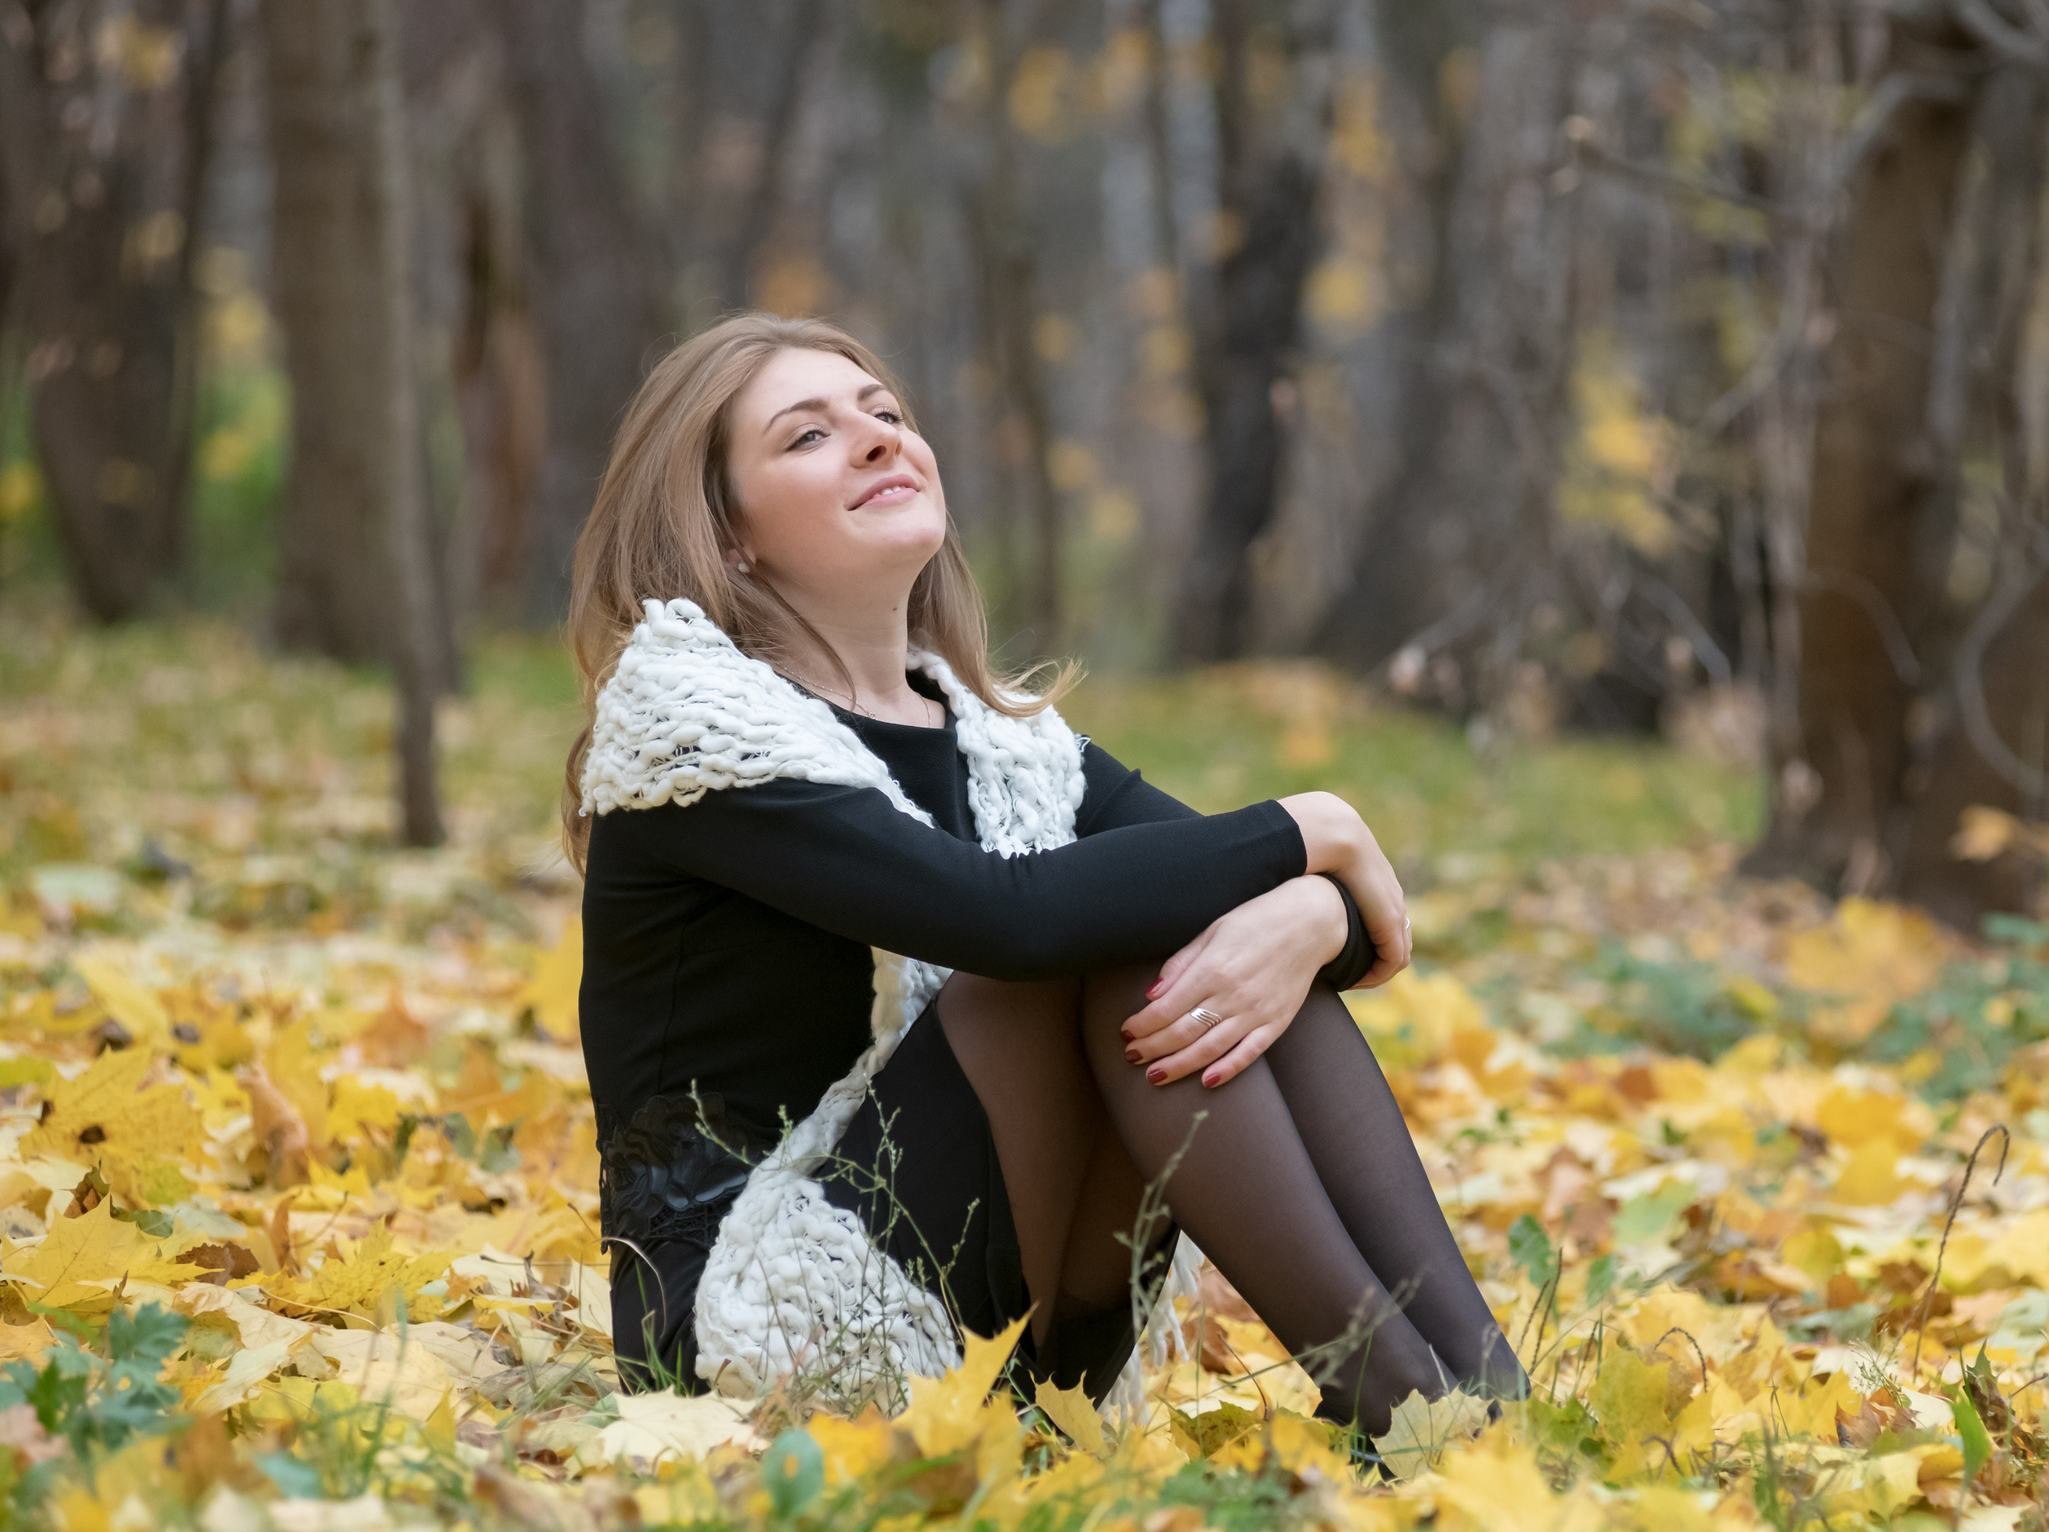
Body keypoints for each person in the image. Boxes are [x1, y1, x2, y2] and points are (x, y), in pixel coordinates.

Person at [564, 313, 1526, 1436]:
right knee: (1117, 929)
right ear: (724, 534)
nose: (880, 439)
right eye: (809, 437)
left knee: (1162, 919)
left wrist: (1314, 905)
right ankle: (1409, 1412)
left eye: (886, 414)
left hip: (1008, 1314)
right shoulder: (692, 730)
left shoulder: (1006, 743)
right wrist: (1310, 829)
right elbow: (1010, 923)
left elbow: (1317, 921)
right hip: (752, 1340)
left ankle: (1482, 1397)